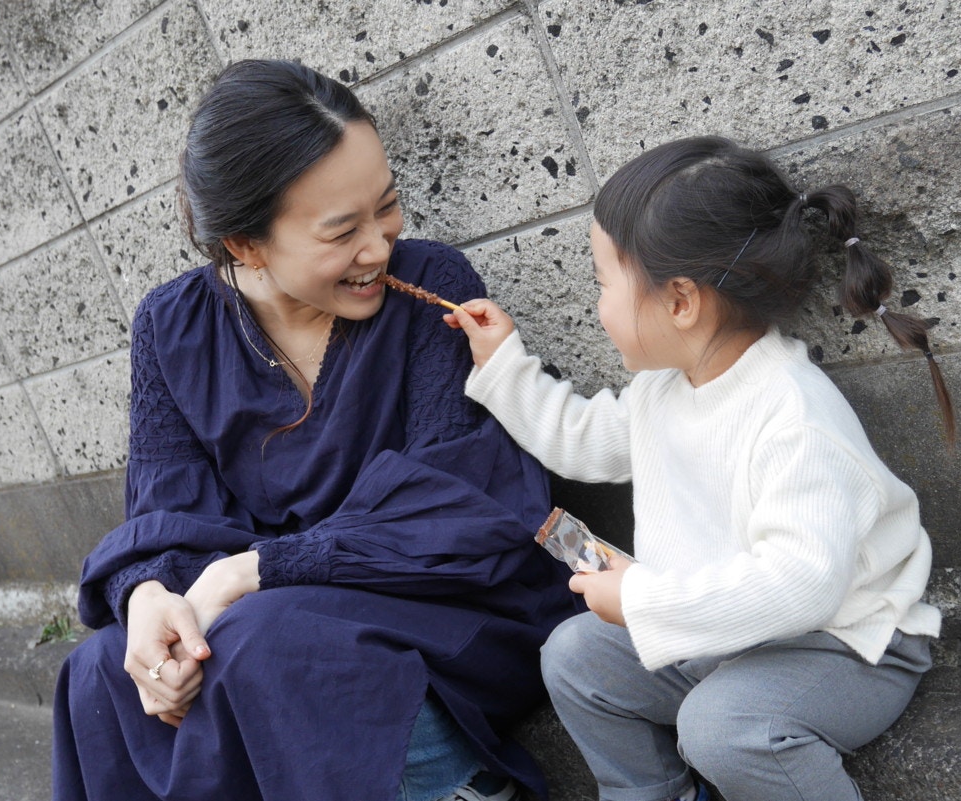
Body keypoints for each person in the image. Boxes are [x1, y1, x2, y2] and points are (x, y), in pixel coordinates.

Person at [52, 59, 576, 801]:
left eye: (386, 207)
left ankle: (462, 784)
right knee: (101, 671)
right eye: (343, 230)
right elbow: (168, 506)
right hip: (263, 623)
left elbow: (453, 505)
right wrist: (146, 599)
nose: (379, 246)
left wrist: (247, 571)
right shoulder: (169, 327)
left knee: (268, 642)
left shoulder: (436, 285)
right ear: (245, 244)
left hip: (440, 603)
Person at [447, 136, 953, 801]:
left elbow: (802, 586)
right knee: (572, 658)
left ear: (681, 300)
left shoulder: (791, 416)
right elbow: (585, 439)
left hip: (847, 641)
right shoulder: (668, 386)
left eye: (604, 282)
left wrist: (640, 597)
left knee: (720, 725)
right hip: (723, 631)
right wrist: (503, 364)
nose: (597, 305)